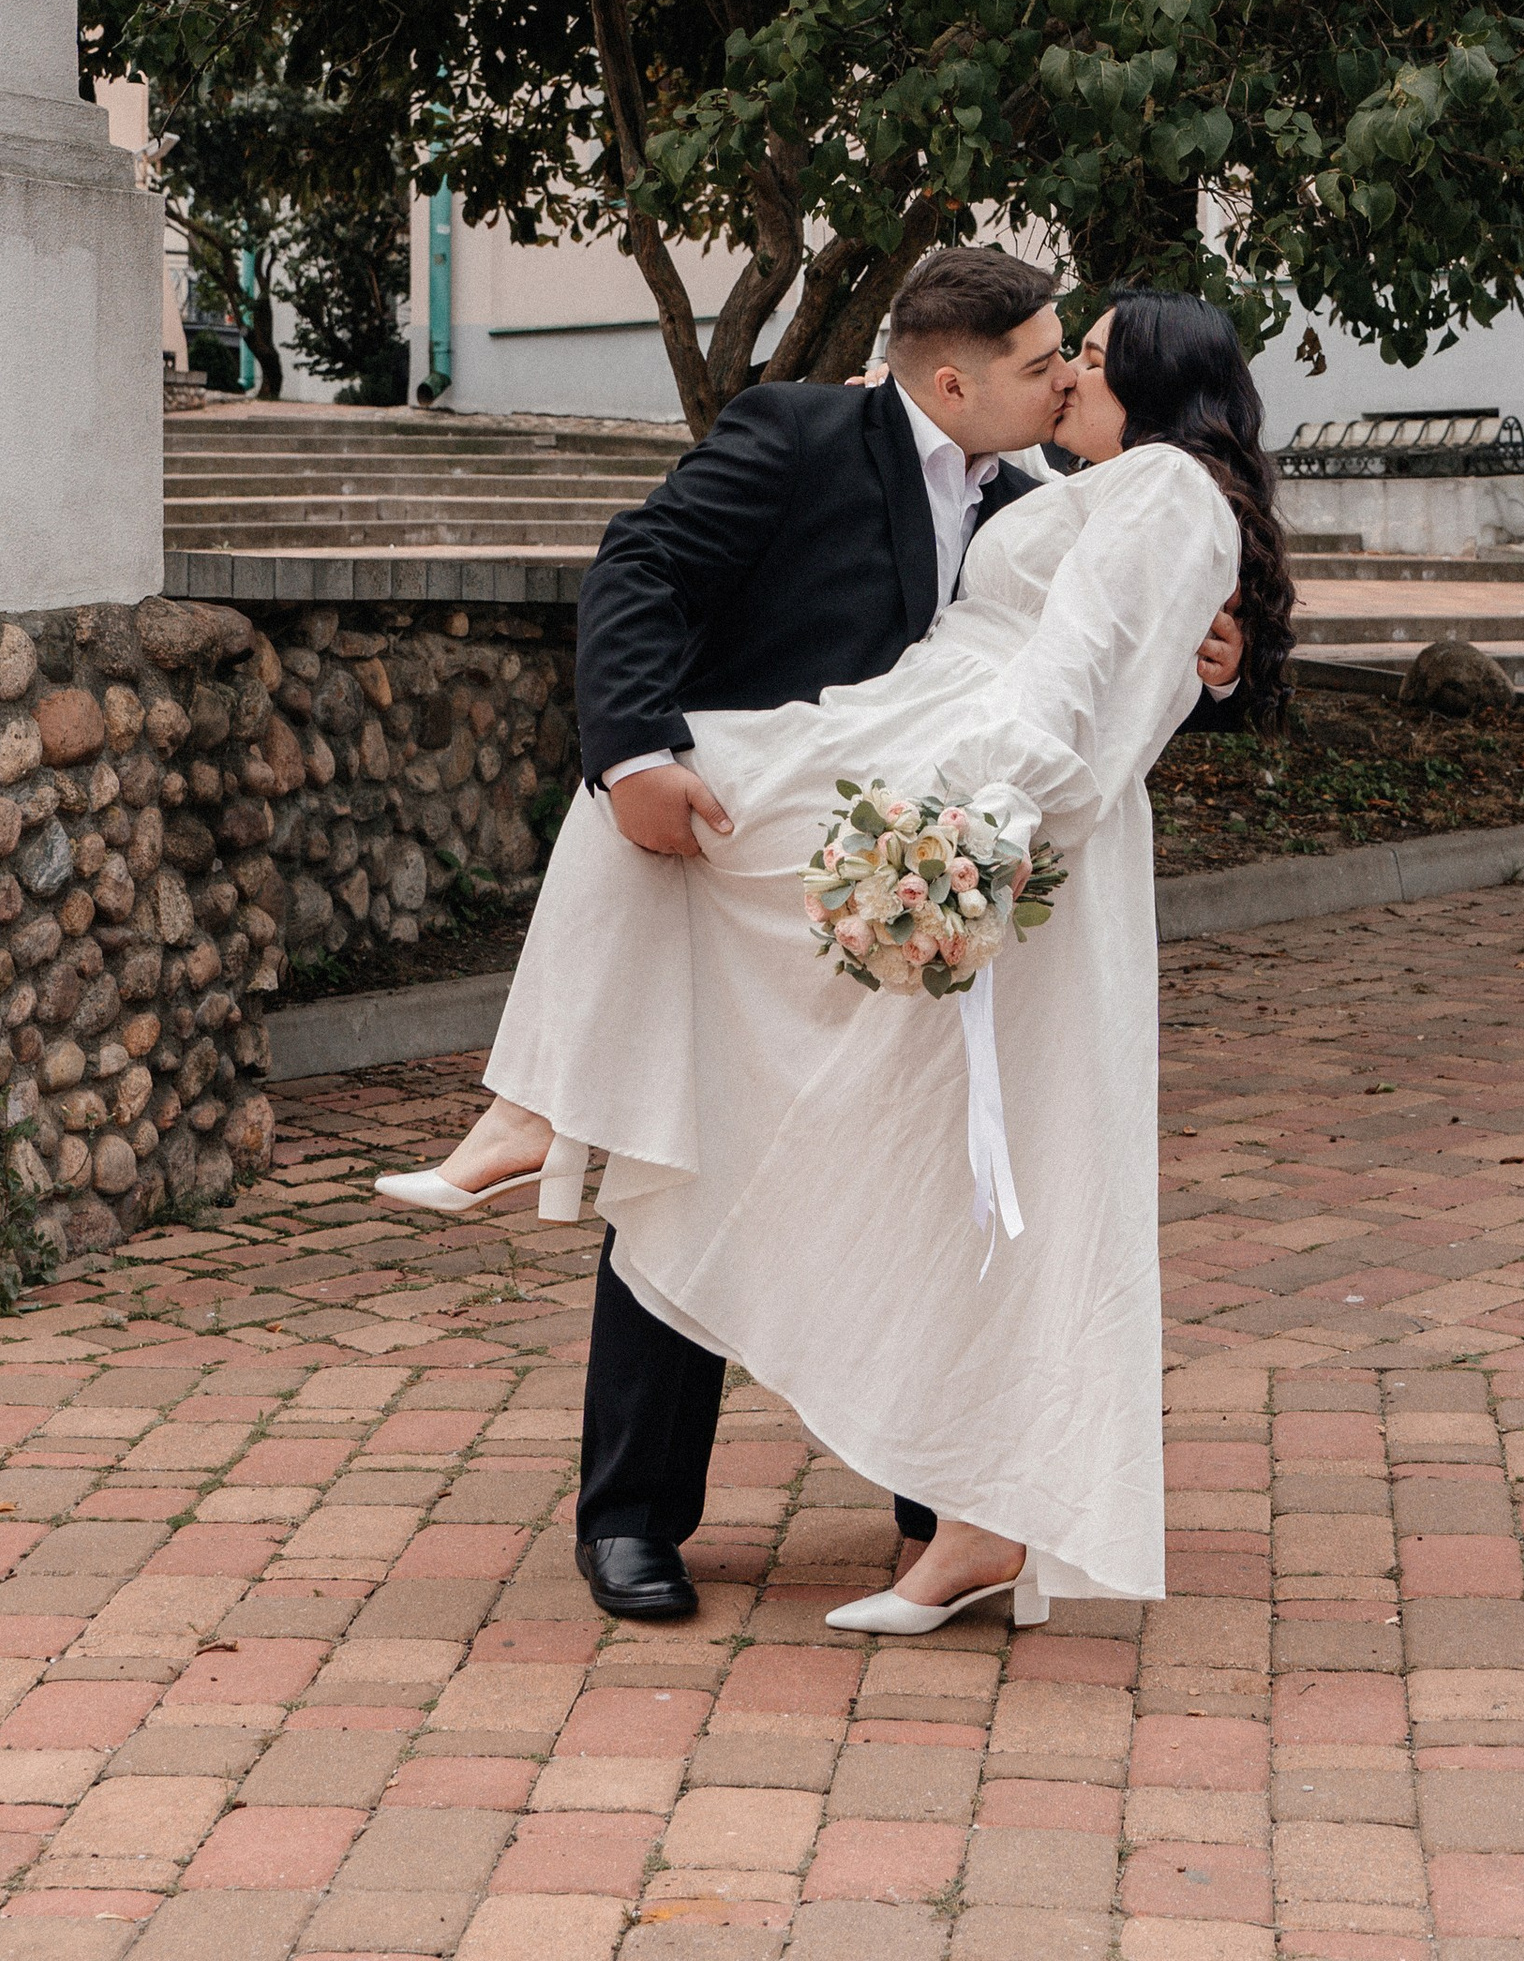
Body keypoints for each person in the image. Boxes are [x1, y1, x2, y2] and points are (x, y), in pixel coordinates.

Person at [375, 247, 1244, 1622]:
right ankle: (634, 1520)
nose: (1066, 372)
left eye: (1079, 355)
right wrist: (638, 751)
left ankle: (950, 1506)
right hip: (775, 833)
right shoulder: (802, 429)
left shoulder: (1056, 487)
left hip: (935, 851)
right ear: (950, 377)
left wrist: (1221, 659)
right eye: (1041, 359)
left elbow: (1112, 648)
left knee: (931, 1170)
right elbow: (640, 569)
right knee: (693, 1142)